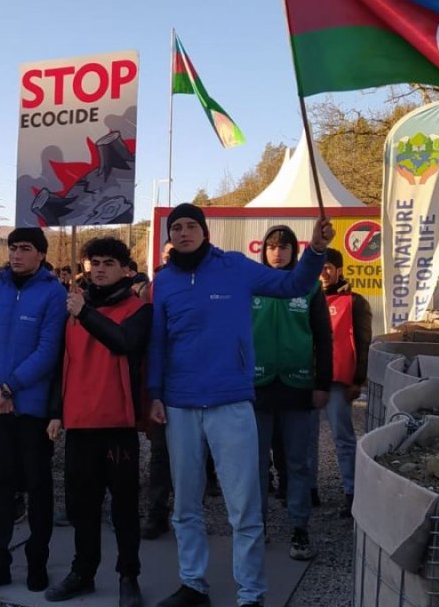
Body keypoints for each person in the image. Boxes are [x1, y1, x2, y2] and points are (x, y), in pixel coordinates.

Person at [148, 204, 333, 607]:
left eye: (190, 226)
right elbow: (158, 341)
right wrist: (155, 393)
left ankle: (251, 594)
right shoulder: (163, 282)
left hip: (230, 402)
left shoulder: (235, 267)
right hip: (180, 404)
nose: (183, 233)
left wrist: (316, 251)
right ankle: (193, 584)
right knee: (186, 505)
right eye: (175, 227)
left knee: (244, 506)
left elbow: (293, 286)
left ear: (204, 230)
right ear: (169, 235)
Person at [0, 227, 66, 596]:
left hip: (31, 408)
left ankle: (37, 562)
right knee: (0, 485)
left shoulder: (54, 293)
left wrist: (10, 388)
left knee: (37, 486)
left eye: (25, 249)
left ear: (40, 253)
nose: (16, 255)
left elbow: (48, 349)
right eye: (13, 248)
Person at [45, 238, 150, 607]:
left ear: (125, 268)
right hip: (79, 423)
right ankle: (83, 572)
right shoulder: (74, 306)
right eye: (94, 263)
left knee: (123, 507)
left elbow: (123, 343)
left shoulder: (137, 309)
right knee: (81, 506)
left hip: (117, 424)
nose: (100, 268)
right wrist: (57, 410)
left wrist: (85, 313)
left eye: (108, 262)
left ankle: (128, 576)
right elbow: (63, 363)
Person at [251, 226, 333, 562]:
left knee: (298, 463)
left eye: (284, 247)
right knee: (254, 464)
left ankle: (300, 528)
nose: (277, 252)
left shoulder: (310, 286)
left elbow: (324, 339)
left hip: (298, 388)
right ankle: (257, 526)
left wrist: (322, 384)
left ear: (293, 251)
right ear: (264, 251)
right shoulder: (251, 284)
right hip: (256, 388)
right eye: (271, 246)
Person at [318, 248, 371, 519]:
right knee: (305, 440)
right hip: (309, 382)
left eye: (329, 267)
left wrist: (358, 380)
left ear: (338, 269)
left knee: (343, 439)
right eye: (319, 267)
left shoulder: (355, 302)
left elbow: (363, 343)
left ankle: (352, 493)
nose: (323, 272)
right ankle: (309, 491)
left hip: (339, 382)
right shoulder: (307, 299)